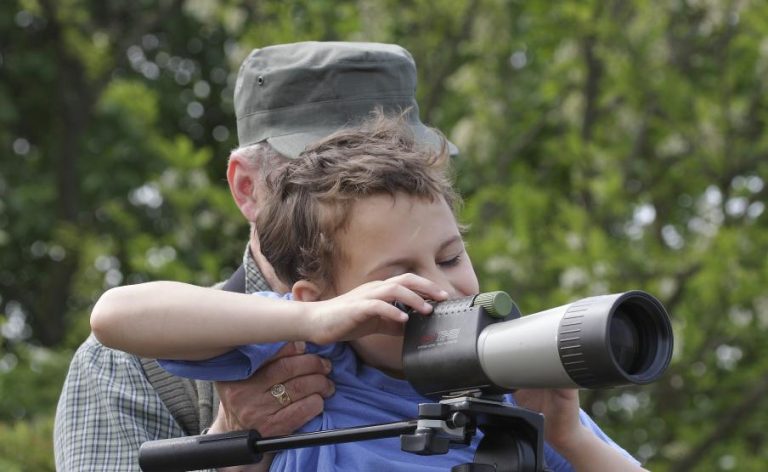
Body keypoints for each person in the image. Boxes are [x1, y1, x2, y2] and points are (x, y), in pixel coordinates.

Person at [90, 111, 647, 472]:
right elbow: (116, 316)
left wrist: (571, 438)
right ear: (322, 300)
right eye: (397, 277)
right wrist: (309, 322)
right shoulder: (311, 354)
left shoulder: (503, 380)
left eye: (451, 257)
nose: (439, 286)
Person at [53, 41, 456, 471]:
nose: (363, 188)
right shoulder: (133, 363)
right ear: (247, 188)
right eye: (316, 172)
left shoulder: (462, 337)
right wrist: (232, 443)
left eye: (396, 170)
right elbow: (117, 315)